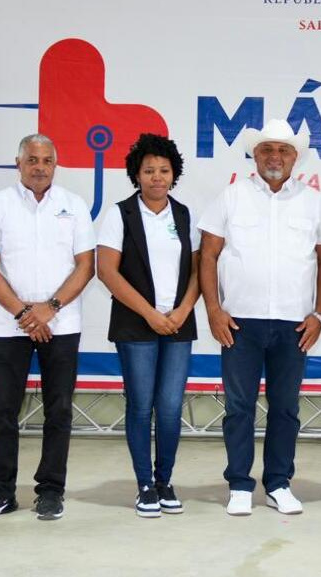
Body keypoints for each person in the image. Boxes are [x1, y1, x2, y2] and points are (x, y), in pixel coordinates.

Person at [197, 119, 321, 517]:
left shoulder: (314, 201)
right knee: (239, 407)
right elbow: (208, 254)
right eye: (267, 149)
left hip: (295, 325)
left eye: (283, 150)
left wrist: (320, 314)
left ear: (295, 157)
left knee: (286, 408)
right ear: (255, 155)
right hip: (240, 323)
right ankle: (239, 484)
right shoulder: (231, 196)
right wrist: (213, 310)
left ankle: (278, 483)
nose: (275, 157)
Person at [0, 134, 95, 521]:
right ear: (18, 163)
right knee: (4, 411)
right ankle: (0, 492)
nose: (40, 167)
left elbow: (86, 266)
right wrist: (26, 314)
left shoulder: (74, 205)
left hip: (62, 323)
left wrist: (49, 309)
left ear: (56, 164)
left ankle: (51, 491)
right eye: (33, 160)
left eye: (47, 160)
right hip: (9, 326)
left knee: (59, 410)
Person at [95, 134, 200, 518]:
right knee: (141, 406)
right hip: (136, 325)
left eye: (164, 170)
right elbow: (107, 271)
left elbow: (199, 271)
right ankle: (144, 486)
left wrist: (183, 310)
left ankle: (164, 481)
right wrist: (150, 314)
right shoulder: (119, 214)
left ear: (174, 174)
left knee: (170, 408)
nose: (157, 177)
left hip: (178, 325)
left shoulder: (184, 215)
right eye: (149, 170)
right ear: (136, 175)